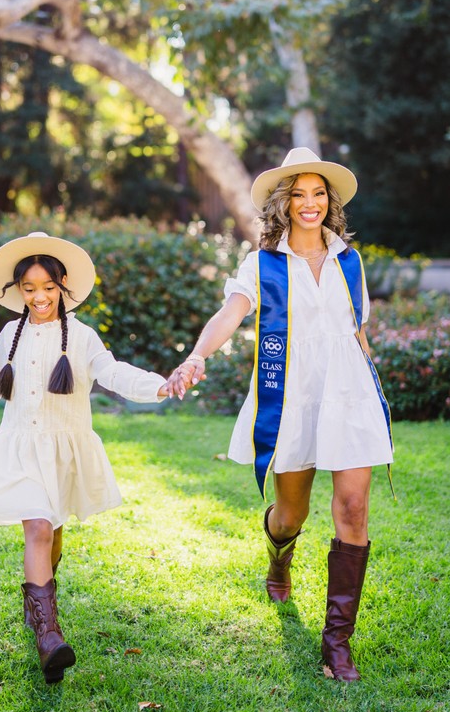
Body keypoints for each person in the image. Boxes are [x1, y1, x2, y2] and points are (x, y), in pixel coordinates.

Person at [167, 148, 393, 683]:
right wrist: (197, 354)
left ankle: (337, 642)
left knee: (354, 508)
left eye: (319, 194)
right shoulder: (262, 263)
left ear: (329, 202)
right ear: (284, 203)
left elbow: (358, 329)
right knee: (292, 512)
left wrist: (370, 387)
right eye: (299, 194)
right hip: (291, 393)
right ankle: (279, 554)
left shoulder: (350, 260)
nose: (310, 203)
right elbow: (231, 313)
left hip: (348, 391)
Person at [0, 231, 168, 685]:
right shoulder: (10, 334)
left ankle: (35, 603)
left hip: (64, 450)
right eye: (29, 289)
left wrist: (158, 385)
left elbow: (113, 373)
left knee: (53, 532)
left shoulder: (82, 337)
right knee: (39, 528)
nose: (39, 297)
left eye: (48, 287)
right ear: (18, 291)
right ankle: (50, 636)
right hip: (21, 447)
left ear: (63, 286)